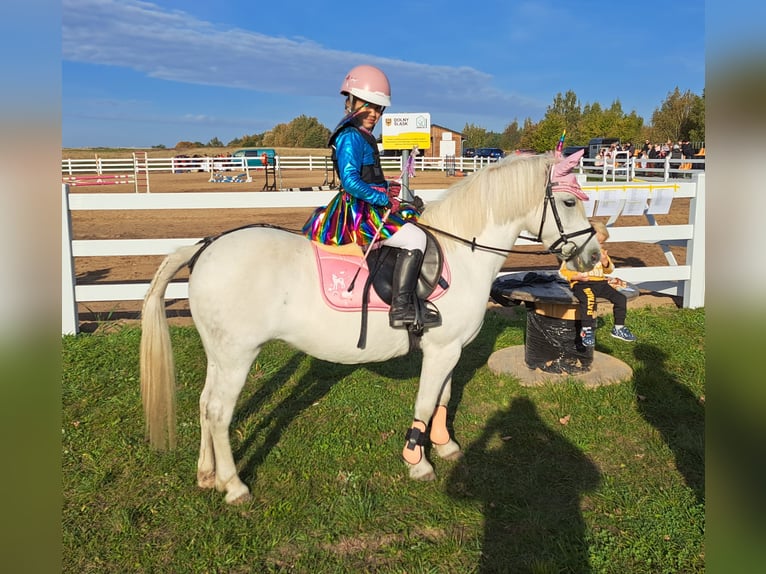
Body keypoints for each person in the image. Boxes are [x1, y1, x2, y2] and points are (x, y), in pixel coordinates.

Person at [302, 64, 440, 329]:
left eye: (378, 108)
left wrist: (387, 186)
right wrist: (384, 199)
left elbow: (367, 178)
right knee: (415, 239)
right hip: (358, 212)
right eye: (368, 105)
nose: (374, 113)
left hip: (368, 203)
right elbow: (351, 182)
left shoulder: (362, 135)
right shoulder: (350, 137)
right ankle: (400, 308)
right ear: (351, 102)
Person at [559, 221, 637, 346]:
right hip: (582, 284)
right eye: (598, 242)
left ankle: (618, 327)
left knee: (620, 298)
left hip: (600, 283)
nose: (600, 245)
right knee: (589, 299)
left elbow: (609, 269)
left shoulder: (601, 253)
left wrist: (605, 261)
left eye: (601, 242)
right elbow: (563, 272)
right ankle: (586, 330)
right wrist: (576, 276)